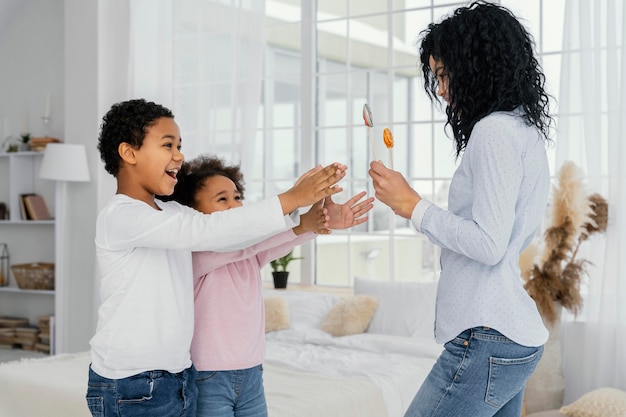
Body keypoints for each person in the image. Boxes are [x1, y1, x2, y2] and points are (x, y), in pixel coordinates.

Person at [86, 98, 348, 417]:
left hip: (176, 377)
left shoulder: (173, 211)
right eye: (168, 145)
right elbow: (212, 231)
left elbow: (239, 239)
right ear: (129, 153)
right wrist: (292, 199)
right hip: (131, 383)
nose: (179, 155)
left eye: (179, 145)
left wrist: (302, 216)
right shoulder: (121, 216)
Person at [368, 2, 554, 416]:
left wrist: (413, 206)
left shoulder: (494, 133)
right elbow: (507, 239)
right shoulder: (522, 130)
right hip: (512, 335)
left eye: (443, 74)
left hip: (487, 334)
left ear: (476, 66)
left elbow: (488, 244)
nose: (440, 89)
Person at [162, 154, 374, 417]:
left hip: (252, 372)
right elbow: (252, 242)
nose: (234, 205)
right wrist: (298, 212)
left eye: (237, 198)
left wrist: (316, 223)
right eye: (222, 199)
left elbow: (272, 242)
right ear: (195, 214)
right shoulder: (197, 255)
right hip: (208, 376)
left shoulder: (249, 255)